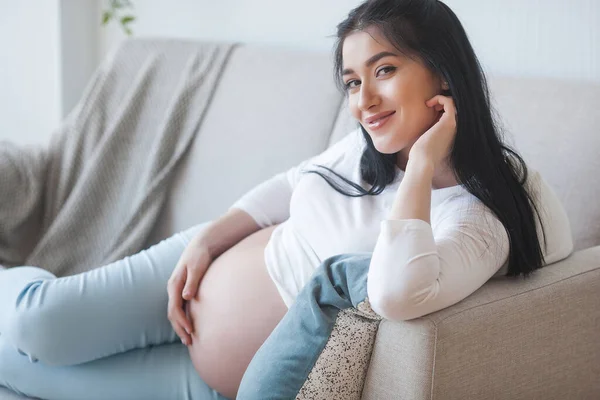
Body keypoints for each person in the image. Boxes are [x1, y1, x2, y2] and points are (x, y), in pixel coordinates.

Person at [0, 0, 573, 399]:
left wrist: (423, 166)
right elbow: (291, 183)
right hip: (184, 276)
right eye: (352, 81)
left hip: (204, 385)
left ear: (444, 75)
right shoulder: (368, 150)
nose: (364, 100)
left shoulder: (477, 218)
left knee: (26, 375)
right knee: (38, 326)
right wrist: (207, 239)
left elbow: (398, 293)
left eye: (385, 70)